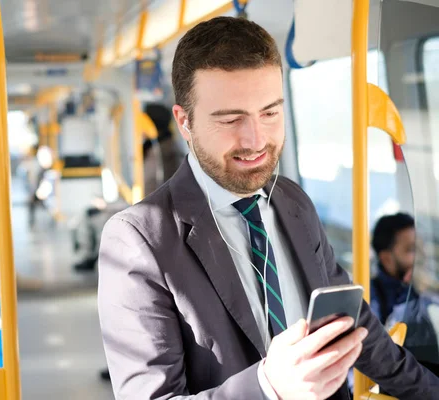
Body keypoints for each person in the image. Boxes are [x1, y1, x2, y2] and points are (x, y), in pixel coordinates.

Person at [97, 16, 439, 399]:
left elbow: (355, 327)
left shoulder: (293, 202)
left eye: (271, 113)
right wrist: (268, 387)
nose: (256, 140)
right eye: (230, 119)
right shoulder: (138, 241)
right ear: (184, 122)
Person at [370, 212, 439, 365]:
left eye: (420, 247)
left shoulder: (427, 289)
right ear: (386, 258)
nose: (420, 256)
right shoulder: (371, 296)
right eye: (411, 250)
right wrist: (409, 292)